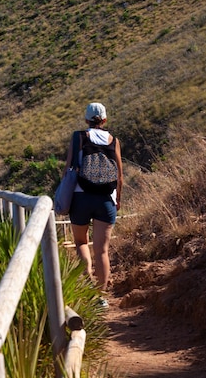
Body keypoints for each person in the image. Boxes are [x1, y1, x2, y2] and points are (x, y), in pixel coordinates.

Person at [64, 102, 123, 306]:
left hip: (81, 197)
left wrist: (65, 195)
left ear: (86, 119)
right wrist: (118, 200)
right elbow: (120, 176)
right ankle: (102, 297)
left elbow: (68, 169)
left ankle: (89, 285)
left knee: (81, 242)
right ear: (105, 120)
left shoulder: (79, 137)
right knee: (102, 250)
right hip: (106, 198)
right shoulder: (113, 141)